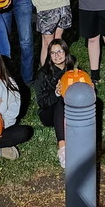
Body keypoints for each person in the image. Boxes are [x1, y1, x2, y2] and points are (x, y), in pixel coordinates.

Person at [33, 38, 76, 167]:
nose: (57, 55)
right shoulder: (43, 74)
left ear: (66, 52)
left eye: (60, 51)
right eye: (53, 53)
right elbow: (41, 102)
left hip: (69, 112)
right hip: (48, 114)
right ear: (49, 55)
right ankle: (62, 148)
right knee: (60, 101)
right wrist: (56, 93)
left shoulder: (72, 70)